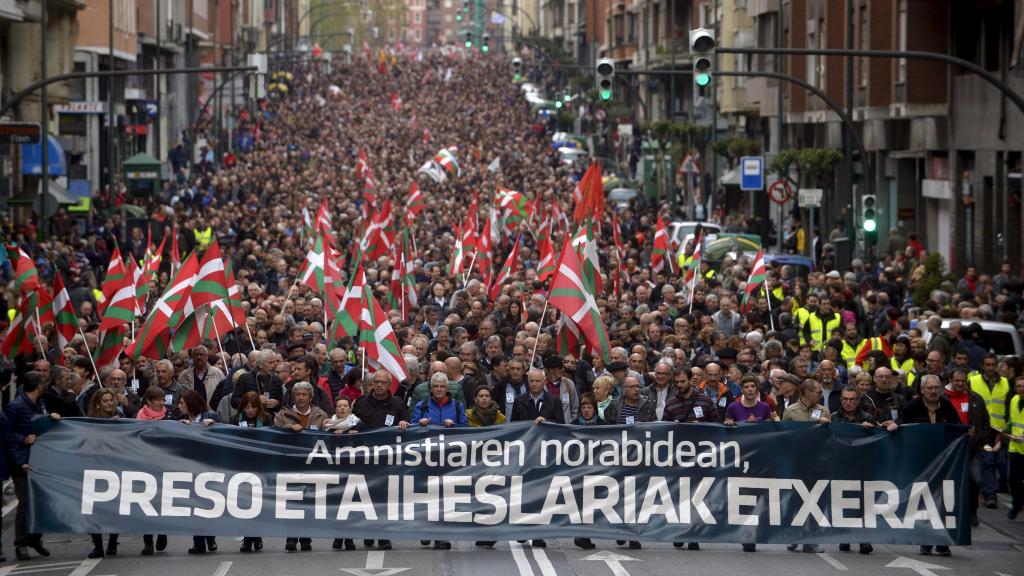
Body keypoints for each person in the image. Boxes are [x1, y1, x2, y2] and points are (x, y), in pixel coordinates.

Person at [900, 375, 961, 556]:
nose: (933, 391)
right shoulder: (912, 407)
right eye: (930, 388)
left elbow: (957, 427)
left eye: (936, 388)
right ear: (922, 390)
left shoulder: (947, 406)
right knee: (924, 501)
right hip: (921, 462)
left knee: (943, 502)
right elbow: (902, 425)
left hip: (944, 463)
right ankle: (925, 540)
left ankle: (942, 541)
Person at [352, 370, 410, 550]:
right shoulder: (361, 403)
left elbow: (408, 424)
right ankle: (368, 532)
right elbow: (350, 423)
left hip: (388, 459)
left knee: (385, 499)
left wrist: (404, 424)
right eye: (376, 382)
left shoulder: (397, 403)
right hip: (365, 458)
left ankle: (384, 535)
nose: (379, 385)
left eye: (383, 382)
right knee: (366, 498)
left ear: (388, 384)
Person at [6, 371, 60, 560]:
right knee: (25, 503)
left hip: (38, 459)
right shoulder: (16, 407)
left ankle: (35, 538)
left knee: (41, 501)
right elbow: (7, 435)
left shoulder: (40, 404)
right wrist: (23, 442)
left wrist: (49, 419)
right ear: (38, 386)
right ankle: (20, 543)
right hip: (21, 462)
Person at [274, 381, 328, 552]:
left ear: (310, 397)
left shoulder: (321, 415)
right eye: (297, 394)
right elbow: (273, 434)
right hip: (291, 465)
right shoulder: (283, 415)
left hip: (313, 466)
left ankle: (306, 537)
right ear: (293, 396)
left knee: (309, 502)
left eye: (304, 394)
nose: (301, 397)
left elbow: (329, 436)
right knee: (292, 502)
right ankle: (291, 537)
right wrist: (287, 428)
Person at [176, 390, 220, 555]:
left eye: (182, 403)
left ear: (191, 403)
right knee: (194, 506)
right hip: (191, 468)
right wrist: (181, 429)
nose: (179, 406)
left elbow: (225, 434)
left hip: (209, 468)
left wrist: (213, 426)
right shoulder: (181, 420)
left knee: (207, 505)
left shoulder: (210, 416)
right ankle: (198, 541)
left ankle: (210, 537)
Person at [969, 354, 1011, 509]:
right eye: (988, 364)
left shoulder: (1006, 383)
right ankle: (990, 494)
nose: (991, 368)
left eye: (993, 364)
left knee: (1001, 463)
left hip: (1001, 430)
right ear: (982, 365)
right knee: (987, 462)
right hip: (984, 430)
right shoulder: (973, 381)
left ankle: (990, 491)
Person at [86, 389, 121, 558]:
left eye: (111, 400)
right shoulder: (91, 422)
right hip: (96, 469)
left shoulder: (121, 417)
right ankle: (97, 545)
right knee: (94, 510)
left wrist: (118, 425)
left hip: (115, 468)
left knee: (115, 508)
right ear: (99, 403)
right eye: (105, 400)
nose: (109, 403)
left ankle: (113, 542)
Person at [232, 391, 268, 553]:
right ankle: (247, 538)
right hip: (241, 467)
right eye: (247, 407)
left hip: (261, 467)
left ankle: (257, 536)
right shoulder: (235, 420)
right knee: (245, 504)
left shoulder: (267, 419)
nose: (250, 411)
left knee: (258, 505)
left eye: (253, 407)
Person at [1007, 375, 1024, 520]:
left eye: (1023, 386)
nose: (1021, 389)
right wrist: (1004, 430)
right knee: (1013, 481)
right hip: (1015, 447)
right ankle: (1017, 504)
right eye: (1018, 386)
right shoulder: (1014, 400)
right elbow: (1012, 421)